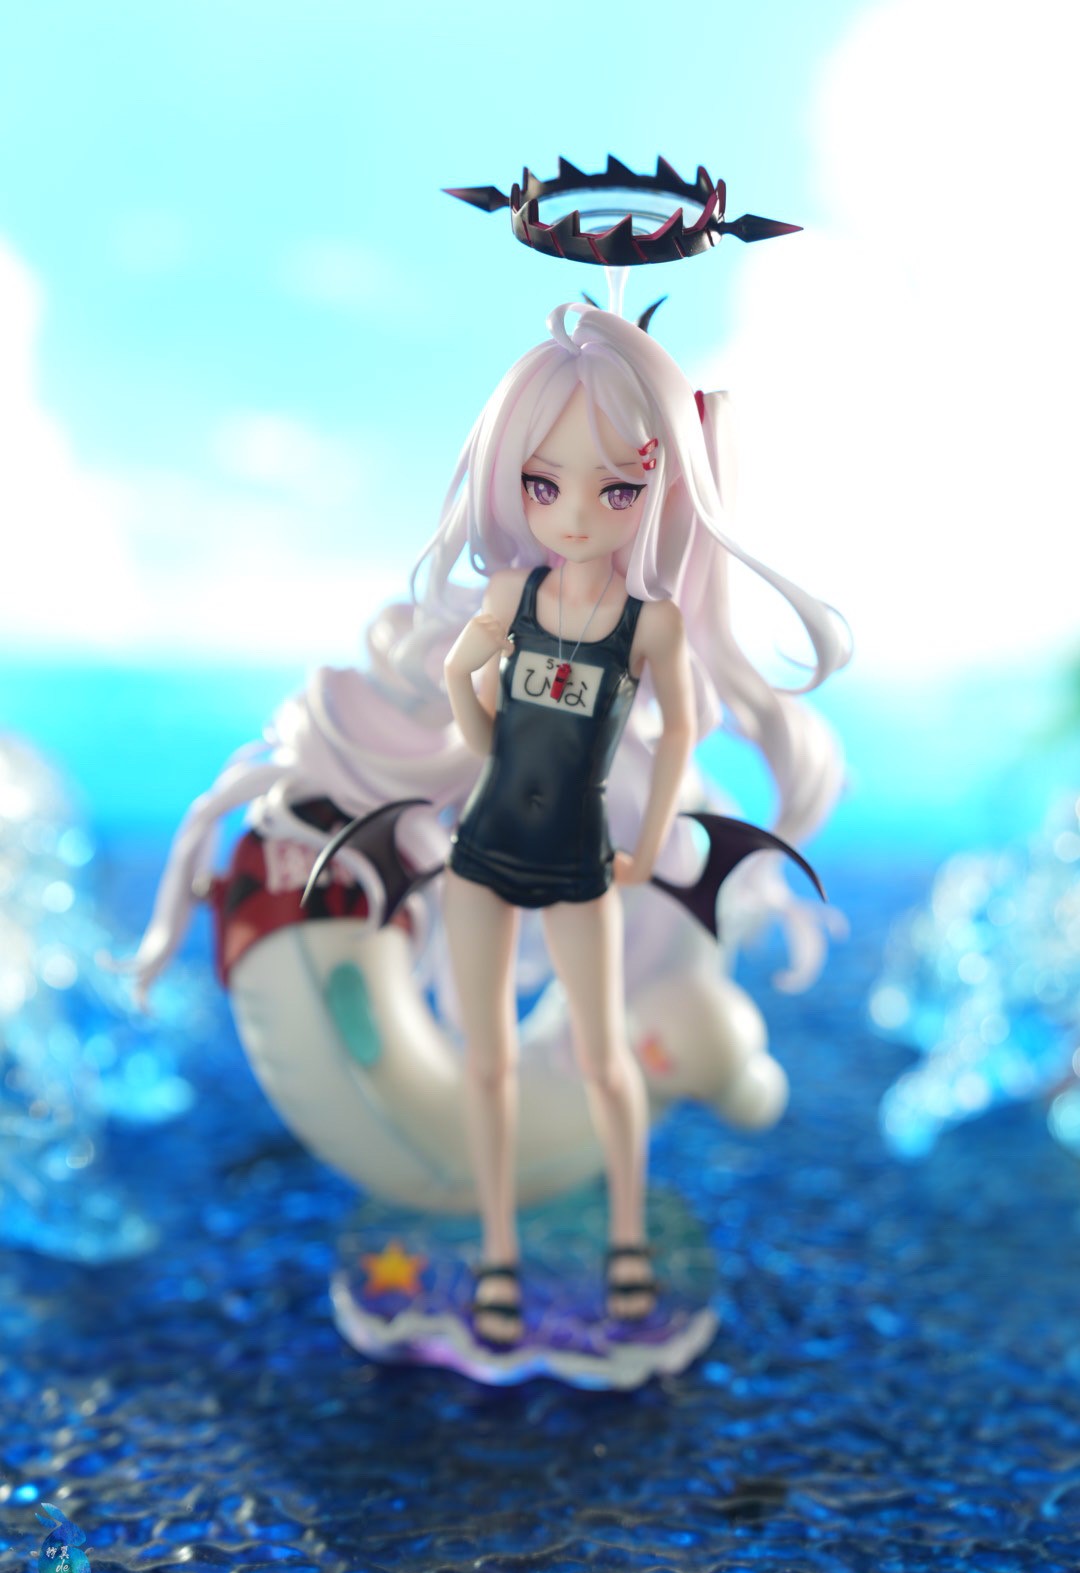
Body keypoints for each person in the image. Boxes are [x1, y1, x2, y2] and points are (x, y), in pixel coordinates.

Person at [118, 299, 850, 1351]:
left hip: (583, 860)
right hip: (484, 852)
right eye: (544, 484)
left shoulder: (650, 623)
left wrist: (648, 848)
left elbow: (685, 727)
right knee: (490, 1066)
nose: (575, 514)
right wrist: (480, 732)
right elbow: (467, 677)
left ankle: (627, 1238)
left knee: (602, 1059)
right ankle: (499, 1253)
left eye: (616, 488)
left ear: (656, 492)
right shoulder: (512, 593)